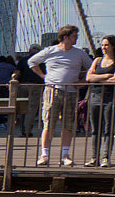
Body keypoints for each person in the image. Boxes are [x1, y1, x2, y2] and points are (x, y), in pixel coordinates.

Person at [28, 24, 93, 166]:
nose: (76, 39)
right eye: (74, 36)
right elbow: (32, 62)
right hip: (52, 90)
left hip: (71, 91)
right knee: (48, 123)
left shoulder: (80, 53)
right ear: (66, 37)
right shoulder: (50, 51)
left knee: (69, 124)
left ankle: (65, 155)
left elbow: (91, 67)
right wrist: (43, 76)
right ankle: (44, 155)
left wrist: (83, 82)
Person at [88, 35, 115, 168]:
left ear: (113, 47)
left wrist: (97, 78)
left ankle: (105, 158)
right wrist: (106, 76)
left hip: (111, 97)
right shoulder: (97, 60)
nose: (103, 47)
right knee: (95, 129)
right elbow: (89, 77)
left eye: (106, 45)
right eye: (103, 45)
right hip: (95, 96)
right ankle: (94, 158)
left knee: (108, 129)